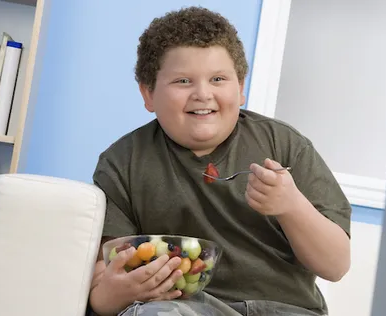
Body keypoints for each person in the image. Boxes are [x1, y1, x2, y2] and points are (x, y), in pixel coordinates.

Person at [89, 6, 351, 316]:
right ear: (148, 94)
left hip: (288, 309)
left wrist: (291, 205)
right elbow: (103, 287)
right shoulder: (122, 164)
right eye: (183, 81)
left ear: (240, 88)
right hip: (184, 308)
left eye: (218, 79)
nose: (203, 93)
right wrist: (117, 292)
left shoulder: (284, 146)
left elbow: (335, 266)